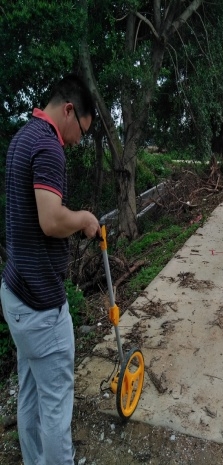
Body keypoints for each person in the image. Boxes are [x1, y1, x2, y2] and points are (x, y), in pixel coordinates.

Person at [0, 74, 101, 464]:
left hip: (14, 295)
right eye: (81, 130)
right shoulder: (48, 145)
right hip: (41, 307)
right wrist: (85, 219)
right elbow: (51, 220)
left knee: (29, 393)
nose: (78, 140)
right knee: (57, 408)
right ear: (69, 111)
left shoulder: (23, 136)